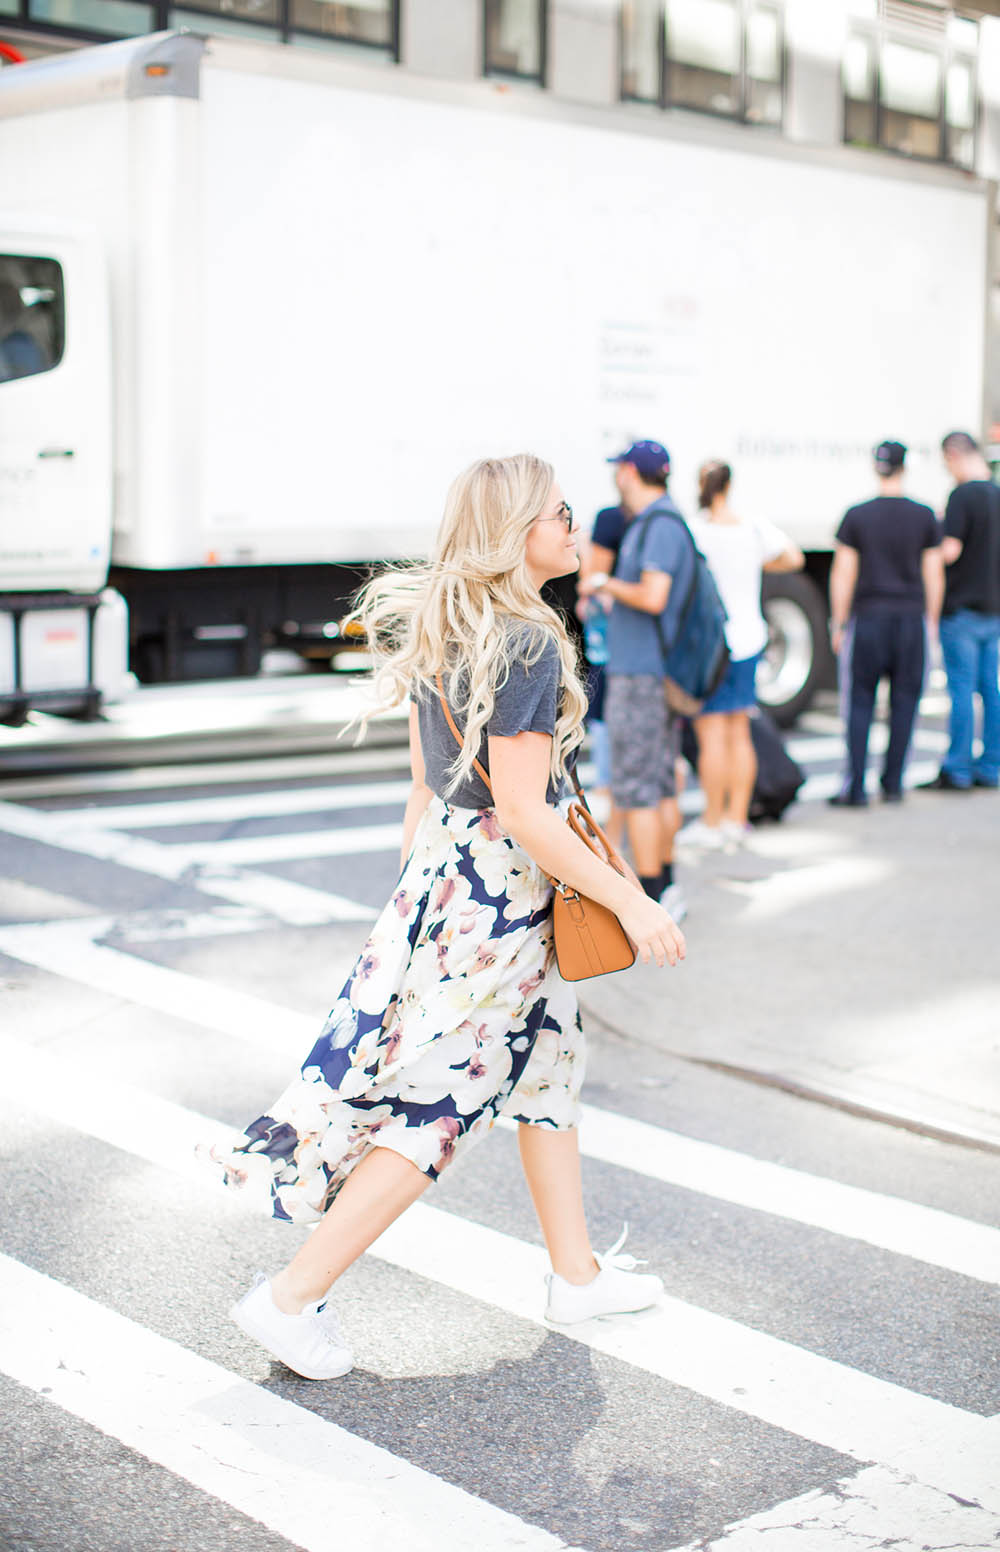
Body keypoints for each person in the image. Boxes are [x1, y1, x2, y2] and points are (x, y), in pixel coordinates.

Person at [203, 454, 686, 1381]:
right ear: (517, 534)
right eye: (560, 513)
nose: (574, 526)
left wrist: (419, 900)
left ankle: (576, 1275)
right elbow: (528, 805)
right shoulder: (527, 640)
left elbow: (427, 785)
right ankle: (290, 1296)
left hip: (453, 872)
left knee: (548, 1067)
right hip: (502, 889)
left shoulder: (457, 624)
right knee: (439, 1105)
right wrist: (633, 898)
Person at [578, 440, 690, 924]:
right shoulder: (663, 521)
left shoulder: (657, 526)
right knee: (658, 784)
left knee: (638, 789)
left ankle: (652, 896)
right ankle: (665, 887)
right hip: (653, 670)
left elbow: (654, 595)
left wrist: (603, 584)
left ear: (629, 472)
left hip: (641, 673)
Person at [681, 460, 803, 848]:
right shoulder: (752, 527)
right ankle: (737, 818)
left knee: (711, 732)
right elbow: (794, 558)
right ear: (728, 486)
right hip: (751, 637)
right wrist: (759, 562)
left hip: (713, 643)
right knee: (740, 731)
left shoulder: (696, 531)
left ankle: (713, 818)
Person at [828, 440, 944, 807]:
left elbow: (843, 574)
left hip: (869, 618)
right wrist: (932, 623)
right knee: (905, 701)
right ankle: (893, 783)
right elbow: (934, 574)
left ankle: (856, 786)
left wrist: (839, 622)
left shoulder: (857, 515)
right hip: (910, 619)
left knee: (860, 701)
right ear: (904, 467)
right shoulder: (924, 515)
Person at [920, 430, 1000, 791]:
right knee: (991, 690)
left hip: (962, 608)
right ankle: (992, 765)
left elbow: (948, 551)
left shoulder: (962, 495)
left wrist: (935, 532)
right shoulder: (996, 493)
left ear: (954, 456)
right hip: (992, 608)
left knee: (962, 690)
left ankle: (958, 769)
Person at [579, 503, 627, 847]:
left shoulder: (604, 583)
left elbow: (587, 596)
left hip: (609, 658)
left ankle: (606, 788)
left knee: (605, 724)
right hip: (613, 658)